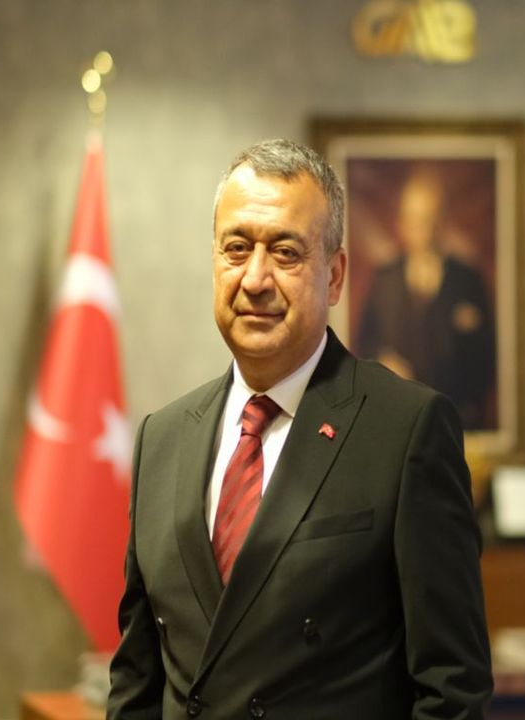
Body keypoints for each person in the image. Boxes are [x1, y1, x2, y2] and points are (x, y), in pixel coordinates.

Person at [107, 139, 493, 719]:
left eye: (285, 253)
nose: (255, 278)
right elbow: (136, 682)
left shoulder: (407, 430)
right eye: (237, 248)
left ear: (334, 277)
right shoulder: (161, 439)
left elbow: (452, 690)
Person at [356, 166, 496, 431]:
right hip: (397, 419)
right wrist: (383, 365)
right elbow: (365, 344)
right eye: (416, 219)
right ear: (403, 223)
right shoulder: (385, 279)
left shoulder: (467, 280)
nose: (424, 228)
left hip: (455, 422)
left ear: (443, 220)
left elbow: (487, 357)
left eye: (431, 218)